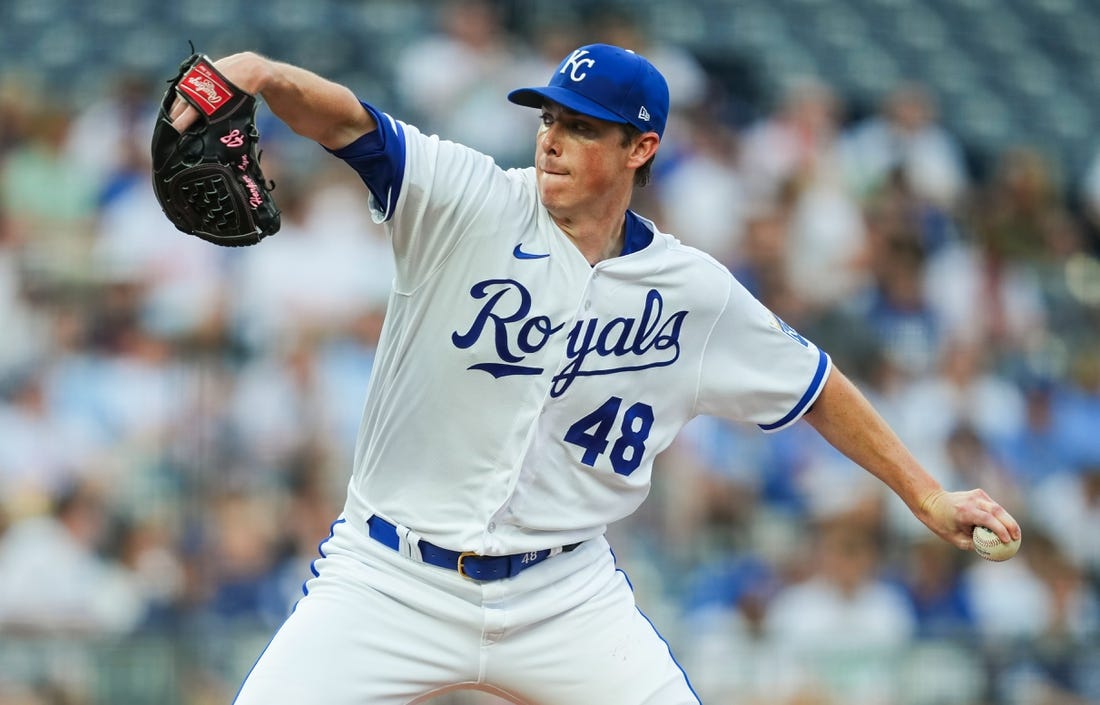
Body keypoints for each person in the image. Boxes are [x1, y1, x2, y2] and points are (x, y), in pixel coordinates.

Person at [168, 42, 1021, 705]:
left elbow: (817, 386)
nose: (552, 139)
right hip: (390, 574)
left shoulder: (693, 292)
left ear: (640, 147)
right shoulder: (468, 198)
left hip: (562, 593)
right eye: (548, 119)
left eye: (580, 126)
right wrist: (262, 74)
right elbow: (346, 122)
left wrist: (925, 493)